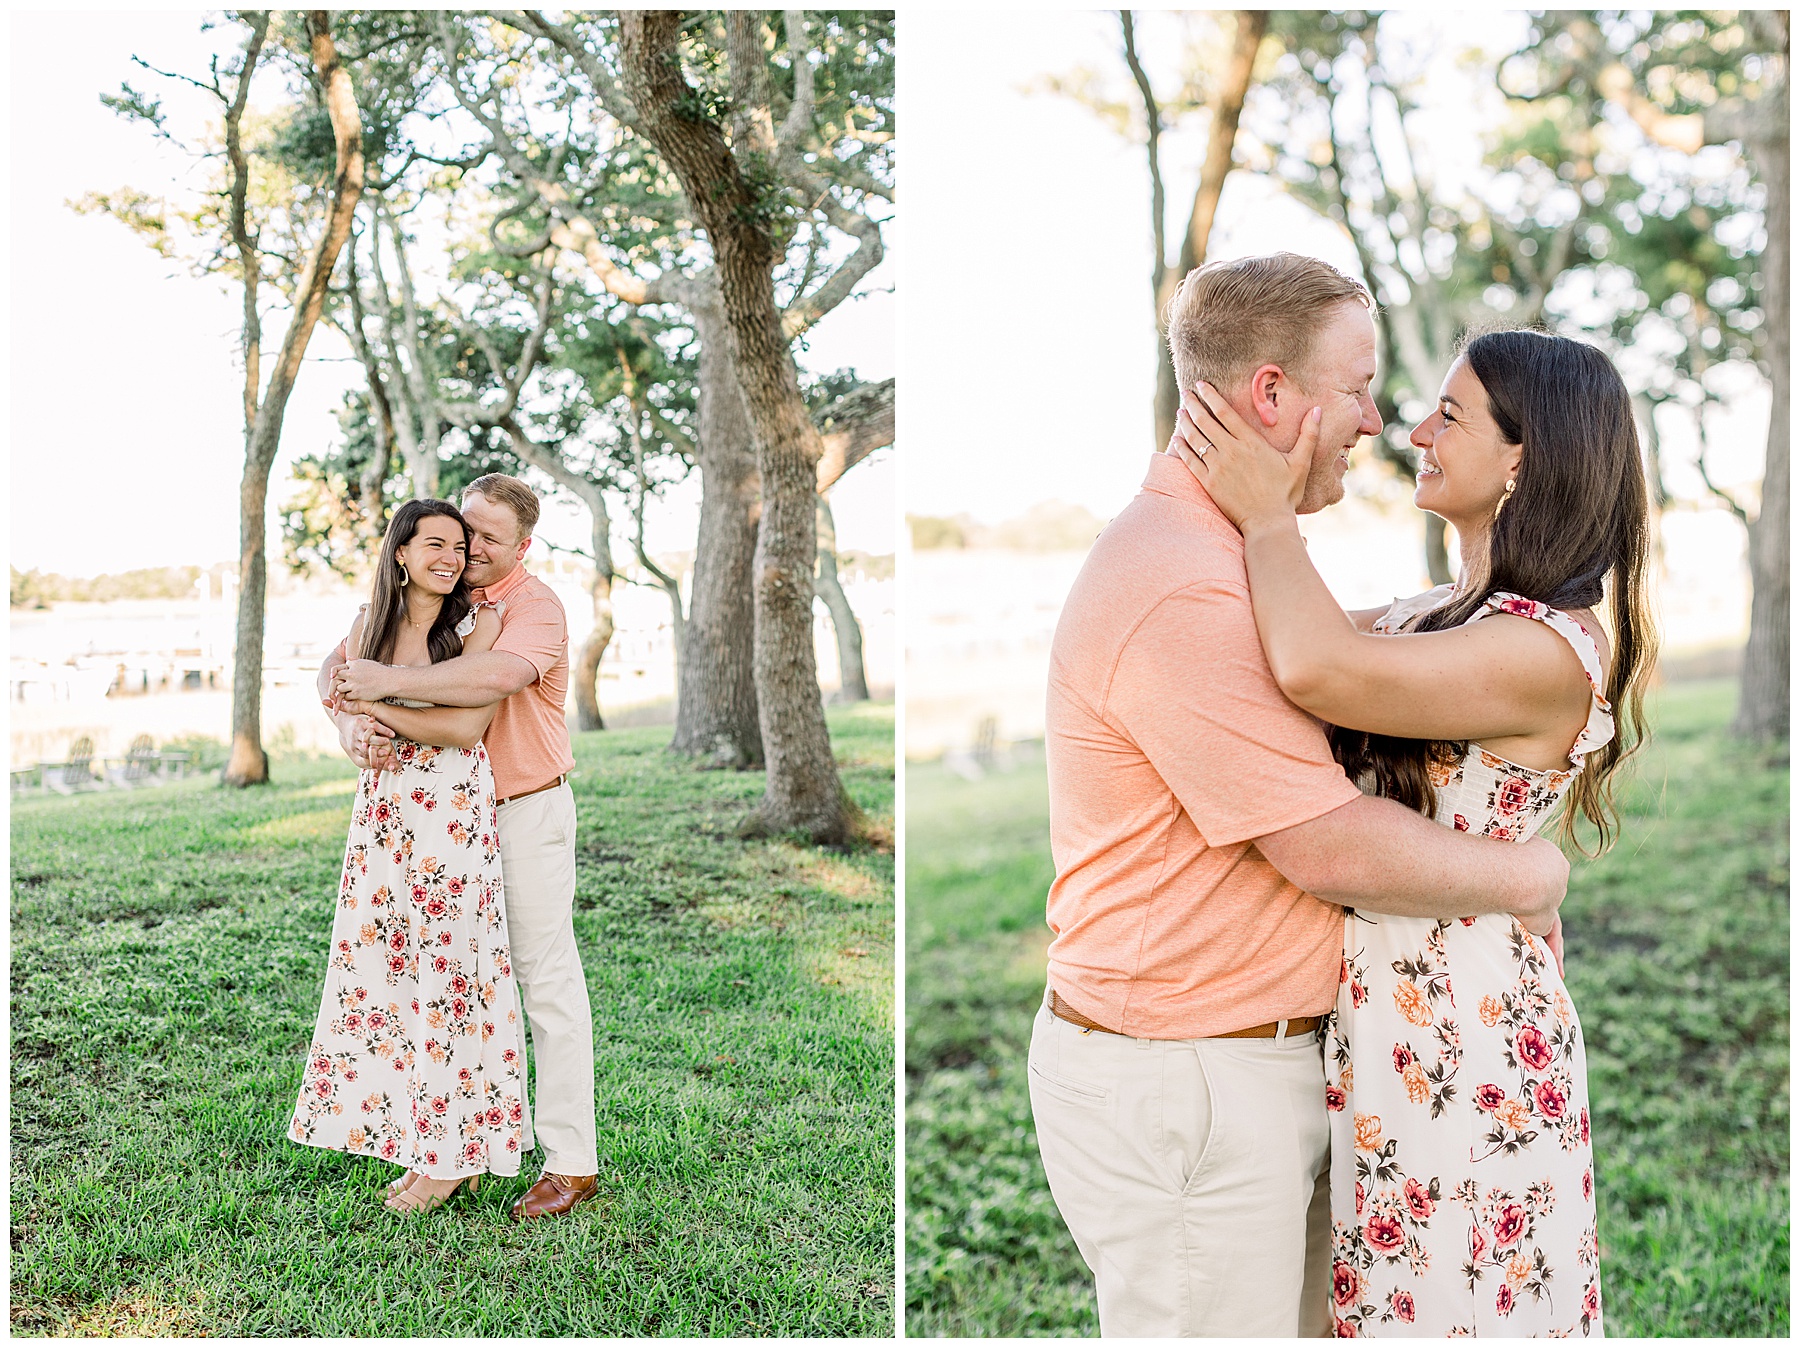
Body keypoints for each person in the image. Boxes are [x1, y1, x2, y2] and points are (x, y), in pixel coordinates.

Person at [1030, 254, 1575, 1337]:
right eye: (1358, 388)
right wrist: (1531, 872)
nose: (1378, 420)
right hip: (1189, 1083)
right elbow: (1324, 845)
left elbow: (1361, 650)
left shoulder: (1232, 557)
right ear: (1272, 395)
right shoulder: (1185, 577)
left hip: (1263, 1063)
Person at [1170, 326, 1653, 1336]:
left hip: (1466, 1032)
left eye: (1450, 412)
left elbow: (1315, 670)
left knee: (1457, 1308)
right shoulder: (1448, 611)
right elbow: (1271, 648)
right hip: (1391, 1015)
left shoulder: (1543, 647)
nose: (1416, 431)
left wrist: (1269, 518)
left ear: (1522, 456)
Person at [320, 474, 599, 1221]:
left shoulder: (532, 606)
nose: (472, 550)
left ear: (524, 547)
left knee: (544, 983)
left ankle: (571, 1164)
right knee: (444, 985)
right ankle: (454, 1148)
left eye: (490, 540)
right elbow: (336, 663)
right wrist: (351, 722)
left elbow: (494, 680)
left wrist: (378, 685)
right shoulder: (447, 596)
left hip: (523, 811)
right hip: (440, 828)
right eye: (464, 532)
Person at [289, 498, 529, 1212]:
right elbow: (335, 687)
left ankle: (454, 1157)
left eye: (459, 546)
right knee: (391, 976)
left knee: (451, 979)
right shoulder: (371, 624)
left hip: (448, 816)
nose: (451, 557)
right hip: (384, 814)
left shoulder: (475, 624)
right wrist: (348, 730)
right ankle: (431, 1142)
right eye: (435, 544)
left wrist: (377, 707)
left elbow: (464, 727)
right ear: (400, 552)